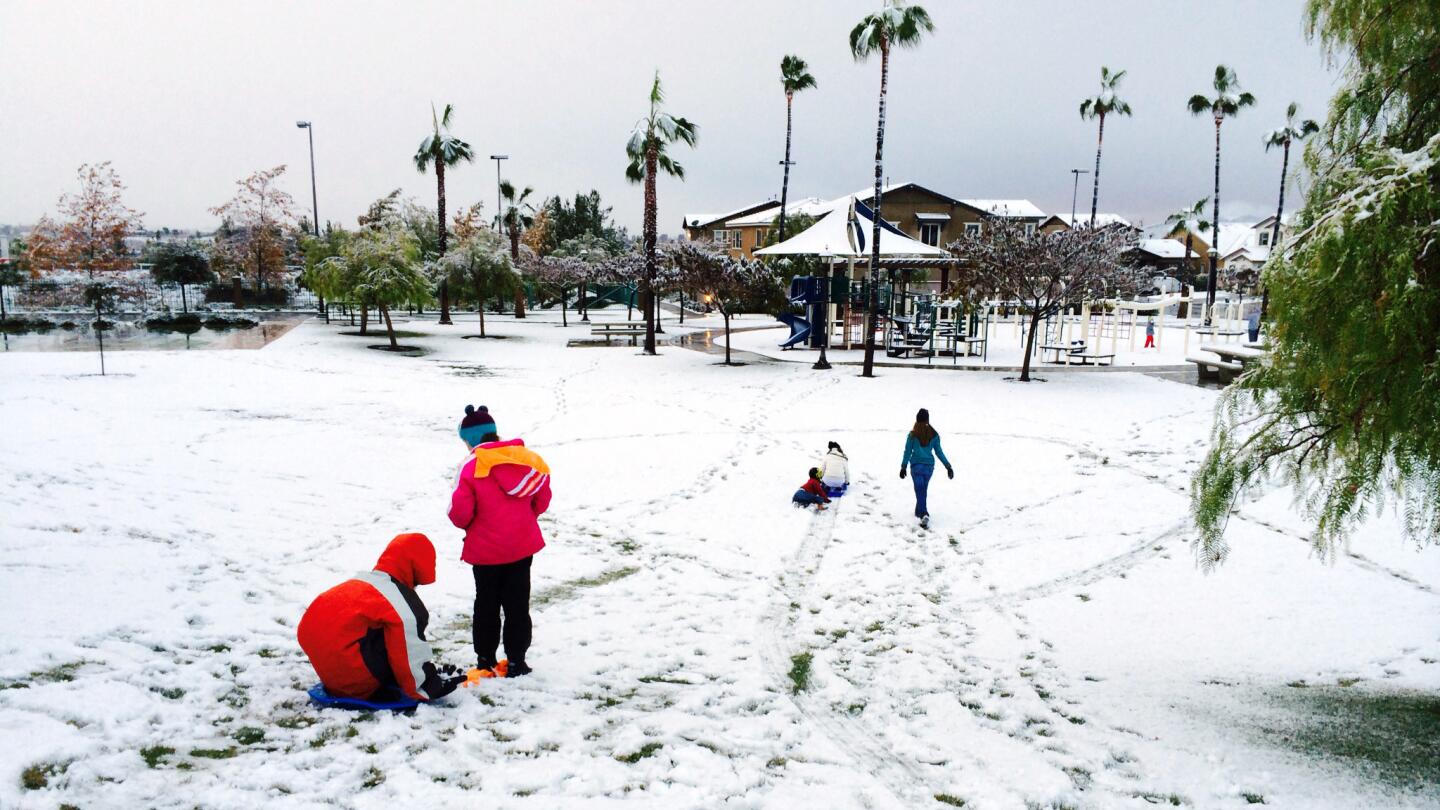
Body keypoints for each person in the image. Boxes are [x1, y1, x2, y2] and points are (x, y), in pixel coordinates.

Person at [297, 533, 466, 703]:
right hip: (352, 676)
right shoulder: (399, 600)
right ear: (417, 567)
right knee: (402, 635)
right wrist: (428, 683)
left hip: (326, 661)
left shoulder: (365, 581)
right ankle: (361, 683)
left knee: (375, 630)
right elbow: (407, 648)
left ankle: (349, 678)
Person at [449, 405, 552, 678]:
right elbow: (542, 499)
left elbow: (460, 515)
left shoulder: (471, 468)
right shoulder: (527, 460)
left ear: (469, 440)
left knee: (486, 603)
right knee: (518, 603)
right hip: (521, 545)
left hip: (485, 551)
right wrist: (523, 519)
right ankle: (517, 659)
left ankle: (485, 659)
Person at [900, 408, 952, 525]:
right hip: (929, 468)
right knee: (922, 489)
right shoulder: (934, 435)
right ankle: (919, 511)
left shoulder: (912, 435)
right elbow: (939, 452)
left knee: (920, 489)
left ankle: (924, 513)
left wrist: (903, 466)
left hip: (916, 467)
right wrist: (948, 466)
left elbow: (907, 451)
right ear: (927, 420)